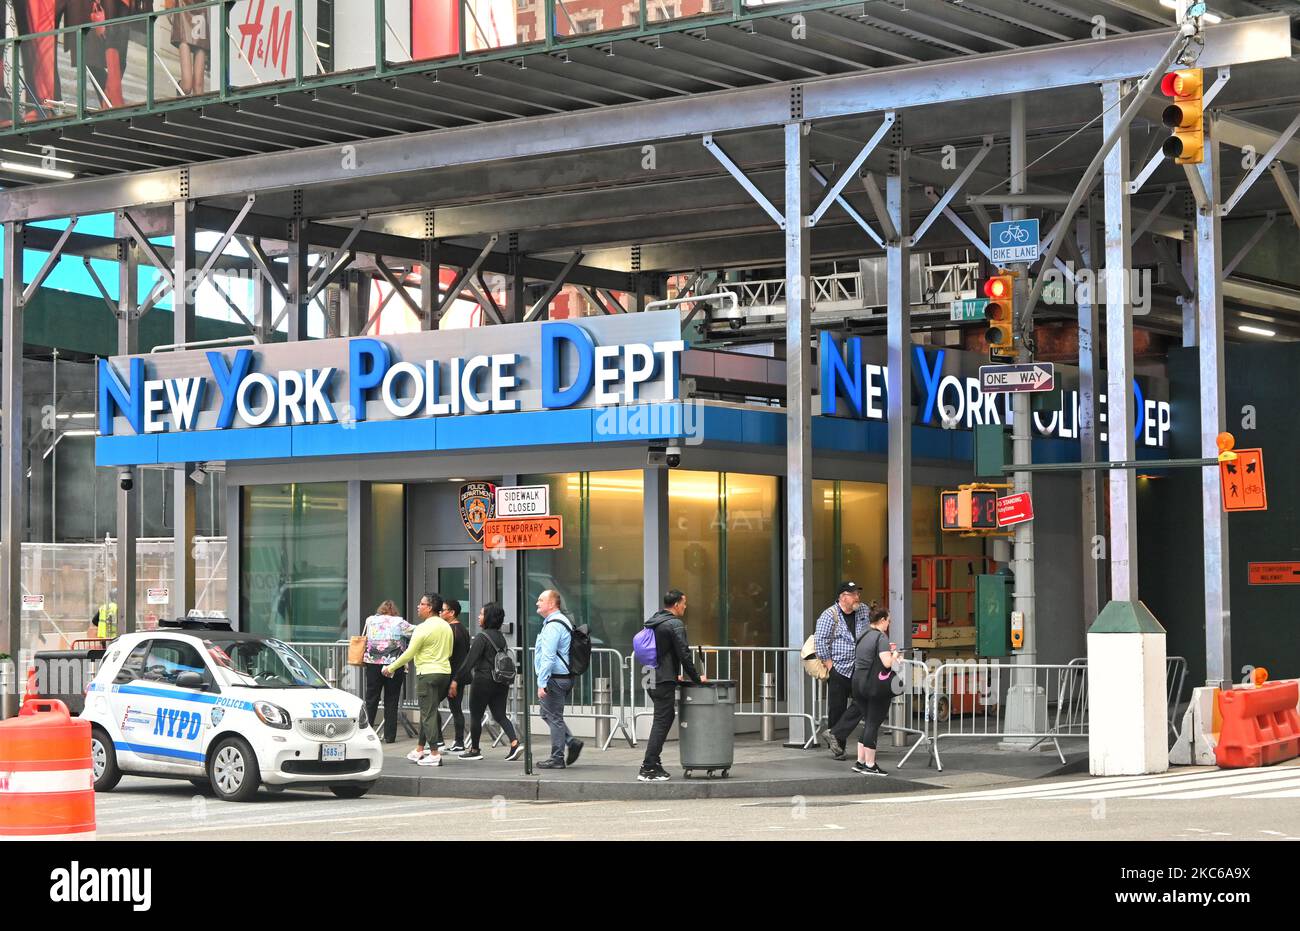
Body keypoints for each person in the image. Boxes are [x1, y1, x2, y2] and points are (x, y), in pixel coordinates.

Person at [638, 589, 704, 783]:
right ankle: (648, 767)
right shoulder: (674, 624)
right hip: (663, 679)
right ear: (676, 604)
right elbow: (684, 653)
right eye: (684, 603)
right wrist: (697, 678)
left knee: (664, 718)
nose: (685, 606)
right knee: (662, 720)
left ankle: (654, 763)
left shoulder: (655, 620)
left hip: (651, 677)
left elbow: (664, 652)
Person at [383, 592, 453, 767]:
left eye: (421, 604)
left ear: (429, 608)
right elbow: (450, 652)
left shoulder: (422, 628)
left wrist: (390, 668)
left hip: (427, 674)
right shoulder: (446, 626)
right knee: (427, 711)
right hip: (444, 673)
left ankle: (435, 753)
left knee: (428, 714)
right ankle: (420, 749)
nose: (418, 606)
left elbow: (409, 653)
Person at [451, 602, 523, 762]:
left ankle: (475, 749)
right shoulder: (501, 638)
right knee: (500, 715)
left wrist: (456, 679)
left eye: (482, 614)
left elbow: (469, 662)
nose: (479, 616)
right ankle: (514, 742)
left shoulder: (482, 637)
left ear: (488, 617)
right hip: (500, 681)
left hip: (483, 681)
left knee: (476, 715)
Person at [814, 581, 872, 760]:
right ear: (842, 597)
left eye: (857, 593)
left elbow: (869, 631)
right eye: (853, 594)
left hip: (860, 667)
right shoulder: (828, 615)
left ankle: (835, 734)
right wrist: (831, 666)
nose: (857, 597)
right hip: (838, 668)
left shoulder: (862, 610)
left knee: (864, 700)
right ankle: (839, 748)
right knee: (837, 709)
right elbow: (820, 642)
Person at [534, 589, 583, 769]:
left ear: (552, 603)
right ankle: (571, 742)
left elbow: (548, 657)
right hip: (562, 677)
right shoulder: (559, 621)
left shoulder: (554, 625)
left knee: (554, 717)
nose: (537, 603)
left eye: (540, 600)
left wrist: (542, 682)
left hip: (554, 679)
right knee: (546, 713)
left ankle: (557, 758)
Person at [851, 607, 901, 777]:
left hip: (857, 681)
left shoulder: (863, 634)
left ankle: (860, 761)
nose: (889, 624)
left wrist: (887, 648)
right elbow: (887, 664)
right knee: (873, 722)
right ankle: (871, 765)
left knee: (866, 721)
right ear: (881, 620)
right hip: (873, 685)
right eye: (888, 620)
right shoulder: (881, 637)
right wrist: (895, 654)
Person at [361, 599, 413, 744]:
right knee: (392, 699)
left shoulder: (370, 620)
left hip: (373, 663)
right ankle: (390, 736)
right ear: (393, 610)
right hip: (393, 664)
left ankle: (367, 733)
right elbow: (415, 632)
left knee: (371, 699)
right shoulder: (399, 622)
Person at [439, 598, 471, 753]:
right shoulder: (462, 629)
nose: (440, 612)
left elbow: (456, 658)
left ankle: (442, 741)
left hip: (452, 676)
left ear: (451, 612)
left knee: (432, 706)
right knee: (455, 708)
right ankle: (457, 742)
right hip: (456, 676)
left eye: (443, 610)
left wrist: (454, 681)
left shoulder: (452, 631)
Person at [166, 0, 209, 96]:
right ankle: (180, 100)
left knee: (198, 86)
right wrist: (168, 5)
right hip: (183, 6)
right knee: (186, 87)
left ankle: (197, 110)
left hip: (201, 8)